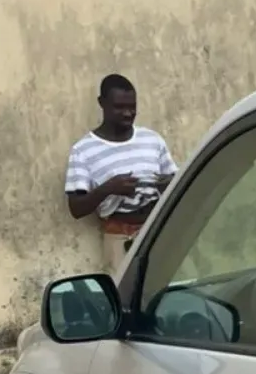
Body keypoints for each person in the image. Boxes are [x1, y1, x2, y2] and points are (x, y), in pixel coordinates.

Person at [65, 74, 177, 278]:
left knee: (167, 285)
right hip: (119, 237)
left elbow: (174, 182)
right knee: (123, 290)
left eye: (132, 107)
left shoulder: (151, 140)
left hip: (156, 229)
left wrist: (162, 184)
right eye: (119, 107)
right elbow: (76, 208)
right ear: (102, 103)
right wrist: (109, 188)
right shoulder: (83, 150)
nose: (128, 113)